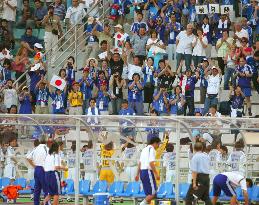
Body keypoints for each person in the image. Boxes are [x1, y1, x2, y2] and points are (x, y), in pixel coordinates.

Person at [135, 137, 161, 205]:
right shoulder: (151, 149)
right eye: (159, 144)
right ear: (155, 143)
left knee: (148, 194)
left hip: (142, 172)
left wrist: (137, 174)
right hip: (148, 172)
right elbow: (151, 163)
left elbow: (140, 163)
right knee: (153, 194)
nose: (159, 146)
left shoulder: (144, 149)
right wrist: (156, 174)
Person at [26, 138, 48, 205]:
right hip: (44, 169)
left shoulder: (36, 148)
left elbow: (28, 158)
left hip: (37, 169)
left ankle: (36, 203)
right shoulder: (46, 148)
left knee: (37, 189)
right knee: (46, 189)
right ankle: (46, 203)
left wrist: (34, 166)